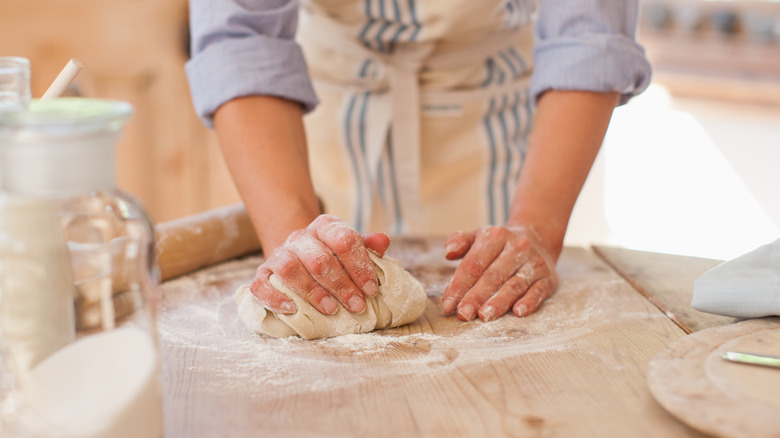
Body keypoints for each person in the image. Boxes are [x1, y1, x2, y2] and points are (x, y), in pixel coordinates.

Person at [186, 0, 651, 322]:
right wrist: (297, 242)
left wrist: (537, 225)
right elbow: (240, 35)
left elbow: (589, 33)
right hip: (324, 113)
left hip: (505, 118)